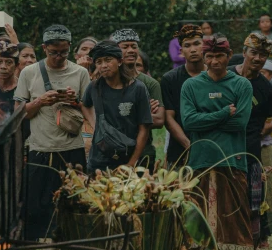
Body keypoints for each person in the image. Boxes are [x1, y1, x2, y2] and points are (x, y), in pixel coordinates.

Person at [180, 35, 254, 250]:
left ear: (229, 55)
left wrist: (205, 120)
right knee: (197, 211)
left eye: (219, 56)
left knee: (234, 214)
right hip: (200, 159)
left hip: (232, 159)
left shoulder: (242, 85)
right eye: (209, 56)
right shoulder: (191, 85)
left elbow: (240, 123)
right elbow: (189, 121)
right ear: (204, 57)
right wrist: (223, 113)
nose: (214, 61)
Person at [14, 25, 90, 240]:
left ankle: (70, 239)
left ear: (70, 48)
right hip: (41, 147)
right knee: (35, 203)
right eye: (53, 52)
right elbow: (18, 113)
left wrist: (73, 101)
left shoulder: (81, 72)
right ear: (44, 48)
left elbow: (89, 109)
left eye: (64, 52)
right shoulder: (29, 73)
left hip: (72, 148)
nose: (58, 57)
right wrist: (40, 101)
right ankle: (34, 241)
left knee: (73, 198)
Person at [230, 34, 272, 250]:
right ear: (244, 51)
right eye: (254, 53)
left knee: (252, 208)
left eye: (263, 55)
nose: (258, 58)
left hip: (251, 153)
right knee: (224, 206)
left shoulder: (266, 89)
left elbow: (268, 123)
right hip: (223, 151)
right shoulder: (225, 75)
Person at [81, 42, 153, 173]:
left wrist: (131, 164)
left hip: (128, 159)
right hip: (98, 162)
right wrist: (95, 124)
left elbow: (144, 129)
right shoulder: (94, 87)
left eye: (108, 60)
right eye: (99, 62)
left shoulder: (138, 88)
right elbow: (84, 105)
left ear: (119, 61)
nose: (103, 66)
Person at [113, 29, 164, 169]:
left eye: (134, 46)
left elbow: (159, 120)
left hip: (144, 153)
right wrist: (143, 112)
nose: (130, 50)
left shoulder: (150, 84)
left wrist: (123, 114)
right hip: (113, 152)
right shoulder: (108, 81)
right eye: (125, 47)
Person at [161, 25, 204, 167]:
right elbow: (168, 118)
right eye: (187, 45)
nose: (193, 49)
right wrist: (188, 144)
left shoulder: (216, 75)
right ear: (181, 51)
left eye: (197, 43)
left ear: (204, 46)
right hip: (179, 152)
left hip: (213, 151)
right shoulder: (170, 79)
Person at [259, 59, 272, 246]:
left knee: (266, 190)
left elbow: (271, 124)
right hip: (246, 144)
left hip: (264, 145)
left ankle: (264, 233)